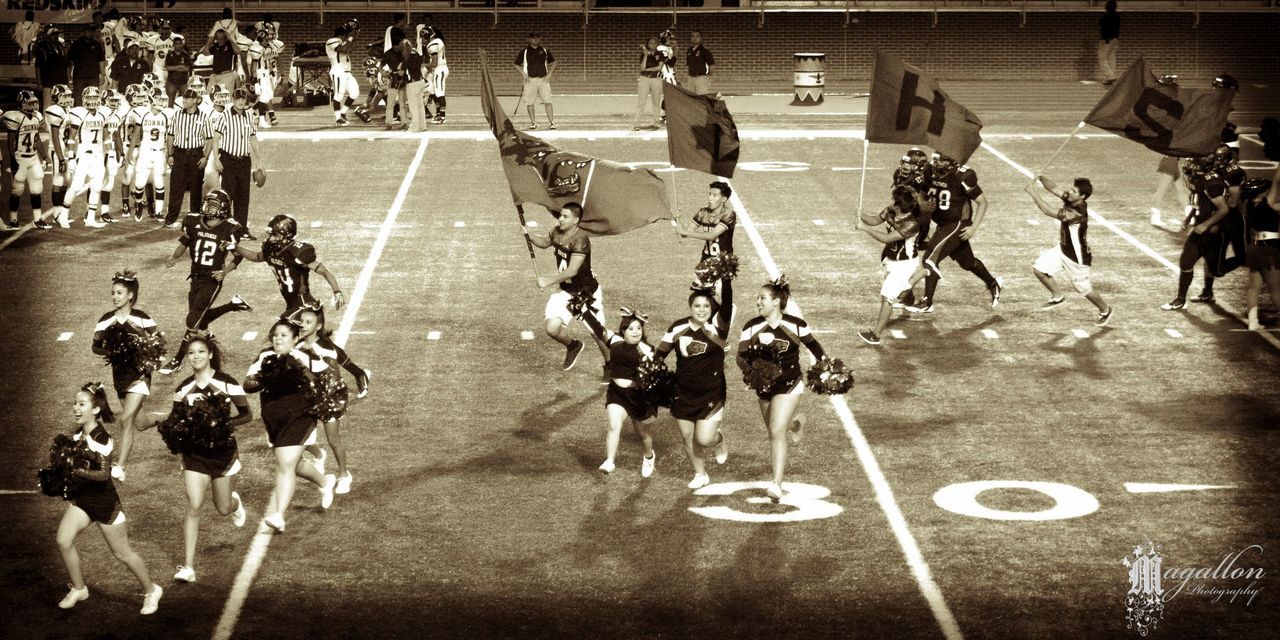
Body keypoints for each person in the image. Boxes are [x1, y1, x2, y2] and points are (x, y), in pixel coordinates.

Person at [144, 336, 251, 583]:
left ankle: (235, 503)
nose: (196, 357)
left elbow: (246, 414)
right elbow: (176, 421)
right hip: (195, 455)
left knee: (222, 508)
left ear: (210, 354)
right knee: (193, 505)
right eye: (191, 353)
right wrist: (158, 422)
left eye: (201, 352)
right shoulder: (183, 388)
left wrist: (221, 424)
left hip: (222, 452)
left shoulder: (227, 383)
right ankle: (188, 567)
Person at [53, 382, 163, 615]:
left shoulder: (101, 438)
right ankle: (80, 588)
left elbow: (103, 474)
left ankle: (152, 590)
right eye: (75, 403)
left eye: (81, 404)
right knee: (63, 540)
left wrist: (74, 470)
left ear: (95, 410)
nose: (75, 407)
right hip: (83, 501)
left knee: (122, 553)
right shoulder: (76, 433)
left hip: (105, 504)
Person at [244, 320, 338, 532]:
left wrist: (305, 378)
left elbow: (328, 378)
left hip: (300, 416)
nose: (278, 339)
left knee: (285, 464)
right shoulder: (264, 356)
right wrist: (266, 378)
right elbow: (247, 384)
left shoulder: (304, 357)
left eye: (284, 335)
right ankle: (325, 482)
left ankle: (278, 516)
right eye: (276, 335)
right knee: (292, 463)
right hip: (274, 417)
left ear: (296, 339)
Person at [737, 277, 825, 501]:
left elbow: (816, 349)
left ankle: (776, 484)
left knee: (776, 431)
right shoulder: (751, 326)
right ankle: (796, 424)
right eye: (758, 298)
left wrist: (826, 368)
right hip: (763, 388)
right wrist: (754, 371)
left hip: (789, 384)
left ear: (776, 301)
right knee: (775, 430)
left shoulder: (795, 324)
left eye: (763, 298)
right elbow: (740, 357)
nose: (758, 302)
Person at [159, 189, 253, 374]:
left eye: (213, 204)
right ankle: (233, 305)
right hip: (195, 276)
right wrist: (173, 257)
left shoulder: (229, 229)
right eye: (208, 202)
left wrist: (224, 272)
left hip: (212, 279)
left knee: (193, 320)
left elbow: (237, 256)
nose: (208, 206)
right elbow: (184, 243)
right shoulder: (193, 222)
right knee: (200, 321)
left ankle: (177, 361)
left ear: (223, 209)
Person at [652, 278, 733, 490]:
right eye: (697, 306)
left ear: (712, 307)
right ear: (691, 307)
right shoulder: (678, 327)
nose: (702, 310)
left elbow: (727, 303)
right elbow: (658, 355)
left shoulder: (719, 328)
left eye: (706, 306)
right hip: (682, 392)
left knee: (704, 439)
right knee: (688, 436)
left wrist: (726, 279)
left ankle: (719, 438)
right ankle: (700, 473)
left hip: (712, 392)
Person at [523, 203, 611, 374]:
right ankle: (573, 346)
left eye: (565, 216)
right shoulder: (557, 232)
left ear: (576, 220)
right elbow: (544, 242)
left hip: (586, 294)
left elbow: (572, 270)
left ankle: (610, 365)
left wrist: (547, 281)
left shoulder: (581, 240)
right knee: (552, 328)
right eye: (560, 215)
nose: (560, 219)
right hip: (566, 291)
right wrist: (529, 235)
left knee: (598, 333)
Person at [911, 152, 1002, 313]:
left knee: (930, 259)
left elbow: (982, 202)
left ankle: (927, 302)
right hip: (942, 224)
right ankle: (993, 284)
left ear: (951, 161)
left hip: (958, 224)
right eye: (935, 159)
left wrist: (973, 228)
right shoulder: (929, 171)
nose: (935, 163)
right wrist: (924, 205)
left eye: (940, 160)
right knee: (967, 262)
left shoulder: (963, 176)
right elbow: (922, 193)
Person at [90, 271, 159, 481]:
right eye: (113, 293)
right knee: (141, 422)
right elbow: (96, 347)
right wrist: (113, 351)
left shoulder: (143, 319)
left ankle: (120, 466)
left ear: (130, 295)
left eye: (119, 293)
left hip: (140, 375)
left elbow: (158, 345)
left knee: (126, 419)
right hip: (120, 377)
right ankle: (170, 416)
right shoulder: (105, 321)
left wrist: (143, 355)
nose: (115, 296)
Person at [298, 305, 372, 494]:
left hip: (328, 397)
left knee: (333, 439)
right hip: (309, 396)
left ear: (318, 326)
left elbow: (332, 377)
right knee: (297, 434)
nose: (303, 325)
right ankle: (318, 454)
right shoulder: (297, 345)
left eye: (309, 322)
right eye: (302, 321)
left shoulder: (325, 348)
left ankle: (344, 475)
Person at [581, 306, 659, 477]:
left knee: (643, 433)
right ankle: (610, 461)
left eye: (639, 328)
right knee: (614, 425)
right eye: (631, 328)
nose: (636, 332)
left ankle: (649, 456)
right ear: (623, 331)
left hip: (638, 397)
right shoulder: (615, 342)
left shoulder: (647, 351)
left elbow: (653, 376)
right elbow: (598, 328)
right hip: (617, 394)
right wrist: (584, 311)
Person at [1026, 175, 1113, 326]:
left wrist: (1032, 192)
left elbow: (1047, 211)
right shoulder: (1073, 198)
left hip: (1076, 257)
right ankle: (1057, 296)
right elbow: (1054, 188)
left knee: (1083, 289)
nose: (1069, 192)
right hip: (1063, 249)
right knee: (1039, 269)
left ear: (1082, 196)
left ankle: (1105, 310)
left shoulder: (1077, 211)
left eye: (1074, 191)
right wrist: (1041, 178)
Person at [235, 214, 347, 318]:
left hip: (304, 304)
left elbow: (324, 272)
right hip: (292, 304)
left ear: (287, 235)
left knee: (279, 331)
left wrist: (337, 291)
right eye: (271, 235)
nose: (271, 238)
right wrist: (235, 247)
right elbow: (257, 257)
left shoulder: (297, 252)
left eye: (275, 235)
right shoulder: (271, 250)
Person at [1162, 153, 1235, 310]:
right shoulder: (1198, 179)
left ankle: (1244, 259)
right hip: (1200, 231)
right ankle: (1181, 299)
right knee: (1186, 261)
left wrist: (1205, 225)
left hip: (1213, 232)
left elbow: (1223, 209)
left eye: (1194, 165)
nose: (1189, 168)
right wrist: (1189, 219)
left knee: (1217, 269)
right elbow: (1197, 203)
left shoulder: (1212, 183)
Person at [858, 186, 928, 346]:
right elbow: (875, 220)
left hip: (905, 264)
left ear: (899, 205)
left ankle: (875, 335)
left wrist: (864, 228)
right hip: (892, 261)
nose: (890, 201)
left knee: (887, 297)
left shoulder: (911, 223)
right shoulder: (891, 210)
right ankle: (922, 273)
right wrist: (861, 215)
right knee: (897, 295)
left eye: (893, 200)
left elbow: (887, 238)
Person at [210, 87, 263, 231]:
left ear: (246, 100)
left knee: (243, 196)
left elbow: (253, 138)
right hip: (229, 159)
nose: (240, 101)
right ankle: (226, 228)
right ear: (233, 99)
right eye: (238, 98)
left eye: (243, 98)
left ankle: (241, 228)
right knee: (228, 195)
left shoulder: (250, 116)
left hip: (244, 161)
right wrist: (216, 159)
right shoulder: (225, 116)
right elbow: (216, 139)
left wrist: (259, 161)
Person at [677, 181, 737, 298]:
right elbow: (685, 232)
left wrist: (687, 232)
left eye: (714, 195)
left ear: (723, 199)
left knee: (723, 296)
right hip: (706, 259)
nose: (710, 198)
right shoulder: (703, 212)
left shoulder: (729, 214)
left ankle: (728, 311)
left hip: (723, 261)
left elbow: (712, 235)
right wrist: (678, 217)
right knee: (700, 293)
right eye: (709, 194)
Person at [2, 91, 50, 230]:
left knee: (37, 188)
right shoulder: (16, 117)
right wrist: (12, 159)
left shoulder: (36, 117)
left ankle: (38, 219)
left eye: (34, 102)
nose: (33, 105)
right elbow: (11, 141)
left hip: (33, 157)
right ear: (22, 104)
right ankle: (13, 219)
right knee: (17, 190)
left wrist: (45, 156)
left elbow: (37, 138)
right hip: (20, 158)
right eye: (30, 103)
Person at [165, 86, 210, 227]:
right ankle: (171, 218)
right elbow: (171, 135)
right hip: (180, 153)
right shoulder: (177, 115)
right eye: (184, 97)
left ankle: (195, 218)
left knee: (196, 187)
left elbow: (209, 138)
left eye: (189, 98)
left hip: (196, 153)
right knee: (176, 186)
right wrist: (170, 154)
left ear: (196, 100)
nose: (185, 100)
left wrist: (205, 157)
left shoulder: (204, 117)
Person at [1242, 173, 1280, 331]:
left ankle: (1252, 322)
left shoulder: (1247, 206)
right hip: (1268, 250)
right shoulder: (1268, 206)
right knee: (1276, 287)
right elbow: (1276, 182)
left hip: (1254, 249)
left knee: (1253, 287)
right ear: (1262, 193)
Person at [129, 86, 171, 221]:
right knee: (140, 183)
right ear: (152, 98)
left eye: (162, 99)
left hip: (159, 152)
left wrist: (170, 154)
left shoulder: (167, 115)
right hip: (146, 152)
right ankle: (139, 204)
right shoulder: (142, 113)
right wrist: (130, 151)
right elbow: (136, 133)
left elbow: (171, 137)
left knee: (159, 183)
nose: (161, 102)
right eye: (158, 99)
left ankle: (159, 212)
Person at [44, 83, 76, 228]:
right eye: (65, 96)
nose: (68, 98)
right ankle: (56, 214)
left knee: (65, 181)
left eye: (69, 95)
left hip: (65, 148)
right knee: (58, 181)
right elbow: (56, 137)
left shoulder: (66, 110)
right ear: (56, 97)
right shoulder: (54, 110)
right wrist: (61, 157)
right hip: (58, 149)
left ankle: (61, 213)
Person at [325, 23, 370, 126]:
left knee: (355, 93)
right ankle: (338, 119)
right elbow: (343, 49)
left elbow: (351, 49)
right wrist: (350, 38)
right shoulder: (332, 41)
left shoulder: (343, 42)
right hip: (338, 71)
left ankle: (343, 114)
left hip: (347, 72)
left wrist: (354, 38)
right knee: (339, 95)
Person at [514, 33, 556, 130]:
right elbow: (516, 64)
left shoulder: (544, 50)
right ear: (529, 39)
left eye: (537, 37)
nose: (536, 39)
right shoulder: (524, 52)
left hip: (543, 80)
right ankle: (533, 122)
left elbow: (553, 62)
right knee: (530, 102)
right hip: (530, 81)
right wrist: (523, 74)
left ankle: (551, 122)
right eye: (533, 38)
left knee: (548, 101)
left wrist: (549, 74)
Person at [247, 25, 283, 128]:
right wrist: (255, 81)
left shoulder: (268, 47)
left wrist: (272, 73)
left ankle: (250, 110)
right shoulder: (256, 48)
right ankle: (262, 119)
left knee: (267, 97)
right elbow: (254, 66)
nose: (267, 41)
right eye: (265, 39)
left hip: (267, 74)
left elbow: (271, 58)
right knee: (263, 98)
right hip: (260, 74)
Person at [1150, 154, 1192, 228]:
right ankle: (1154, 217)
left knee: (1180, 191)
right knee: (1161, 190)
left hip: (1173, 163)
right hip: (1169, 164)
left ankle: (1190, 215)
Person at [68, 25, 106, 106]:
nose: (90, 33)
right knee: (78, 99)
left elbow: (101, 61)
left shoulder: (97, 44)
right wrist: (69, 77)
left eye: (91, 31)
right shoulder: (76, 44)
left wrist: (102, 75)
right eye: (88, 31)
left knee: (93, 98)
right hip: (79, 77)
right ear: (84, 32)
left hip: (93, 76)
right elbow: (70, 62)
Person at [632, 38, 663, 131]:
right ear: (648, 44)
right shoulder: (643, 54)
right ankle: (636, 124)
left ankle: (656, 123)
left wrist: (647, 69)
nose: (653, 44)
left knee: (656, 102)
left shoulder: (660, 54)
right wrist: (645, 55)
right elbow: (642, 67)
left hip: (656, 79)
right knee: (641, 101)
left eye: (654, 43)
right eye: (651, 43)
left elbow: (659, 67)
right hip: (644, 79)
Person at [35, 26, 69, 110]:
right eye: (53, 35)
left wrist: (68, 80)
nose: (56, 37)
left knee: (61, 104)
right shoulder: (43, 47)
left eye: (57, 35)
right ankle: (46, 122)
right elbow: (38, 66)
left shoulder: (60, 47)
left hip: (61, 81)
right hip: (48, 82)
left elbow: (66, 64)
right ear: (48, 36)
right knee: (48, 106)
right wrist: (39, 82)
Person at [145, 20, 176, 97]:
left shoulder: (175, 40)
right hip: (158, 68)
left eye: (168, 29)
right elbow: (150, 57)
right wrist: (149, 71)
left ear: (171, 29)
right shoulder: (153, 40)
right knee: (157, 90)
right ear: (159, 29)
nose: (165, 31)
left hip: (171, 69)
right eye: (163, 29)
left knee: (172, 91)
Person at [423, 26, 448, 124]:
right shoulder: (438, 40)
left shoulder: (432, 45)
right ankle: (438, 113)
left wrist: (422, 65)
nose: (423, 40)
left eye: (424, 38)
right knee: (431, 90)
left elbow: (434, 63)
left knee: (439, 92)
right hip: (437, 70)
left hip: (439, 69)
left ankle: (442, 116)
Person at [164, 34, 194, 105]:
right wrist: (180, 66)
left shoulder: (186, 55)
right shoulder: (169, 55)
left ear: (182, 45)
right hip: (171, 81)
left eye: (180, 44)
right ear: (173, 45)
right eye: (176, 44)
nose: (178, 45)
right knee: (170, 100)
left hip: (183, 82)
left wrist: (174, 68)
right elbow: (168, 68)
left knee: (186, 100)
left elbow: (186, 69)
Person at [684, 31, 715, 96]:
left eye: (697, 36)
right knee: (691, 99)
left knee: (702, 98)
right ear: (691, 38)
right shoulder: (689, 50)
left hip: (701, 78)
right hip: (691, 78)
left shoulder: (705, 50)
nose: (695, 38)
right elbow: (688, 64)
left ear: (701, 38)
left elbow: (712, 65)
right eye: (693, 36)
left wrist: (708, 76)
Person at [1098, 1, 1120, 85]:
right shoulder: (1117, 16)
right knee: (1111, 58)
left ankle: (1110, 76)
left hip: (1107, 39)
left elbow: (1101, 23)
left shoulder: (1106, 16)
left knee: (1102, 58)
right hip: (1115, 39)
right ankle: (1110, 77)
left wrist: (1106, 39)